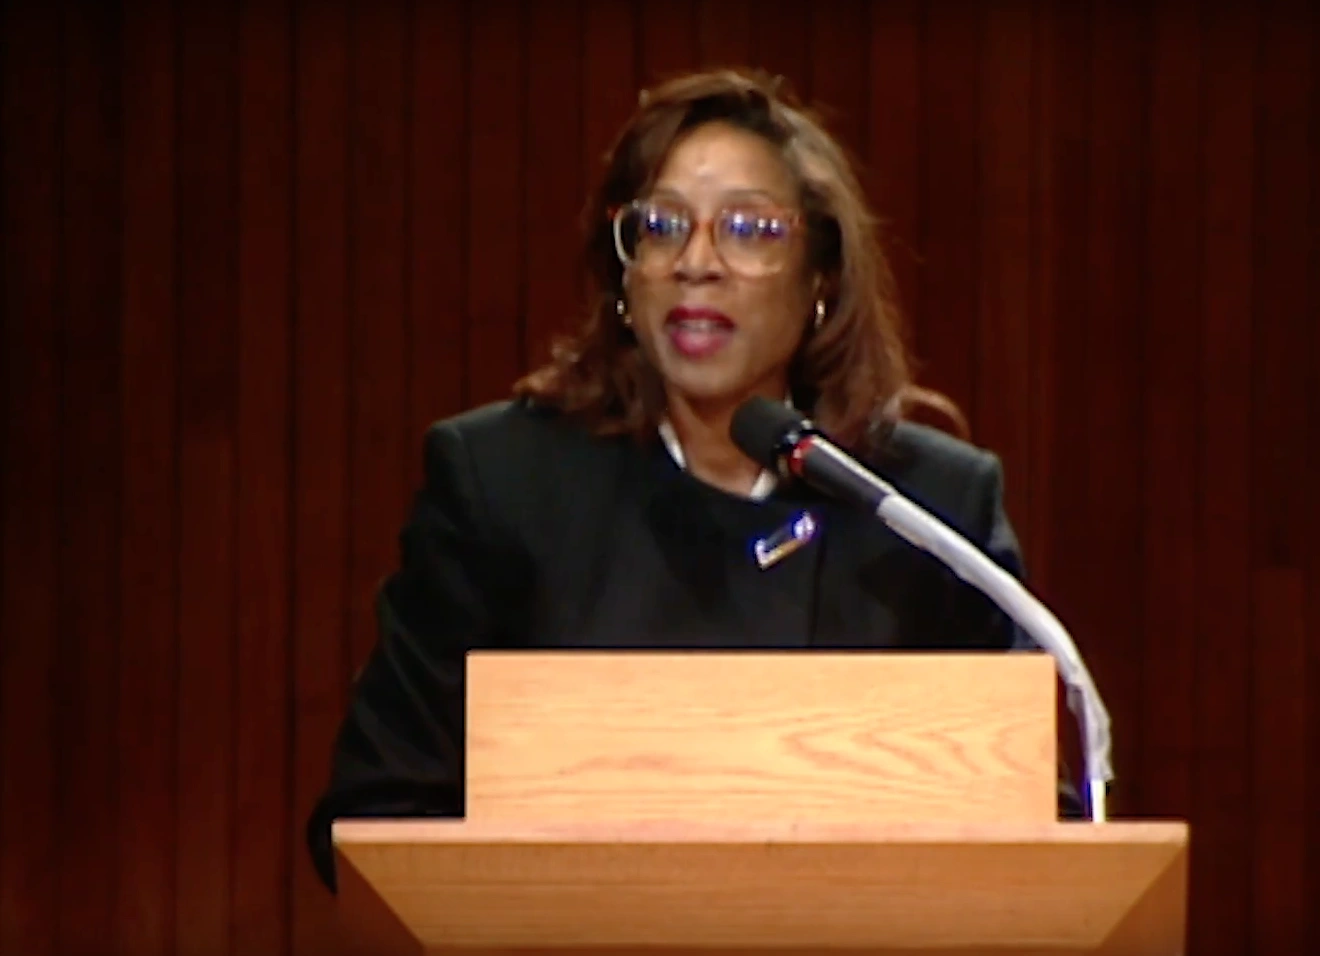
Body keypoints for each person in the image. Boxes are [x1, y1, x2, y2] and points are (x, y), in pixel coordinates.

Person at [305, 68, 1073, 893]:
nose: (695, 262)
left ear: (819, 278)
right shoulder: (503, 487)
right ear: (624, 276)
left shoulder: (926, 509)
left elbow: (1035, 829)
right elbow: (378, 816)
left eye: (748, 228)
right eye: (661, 225)